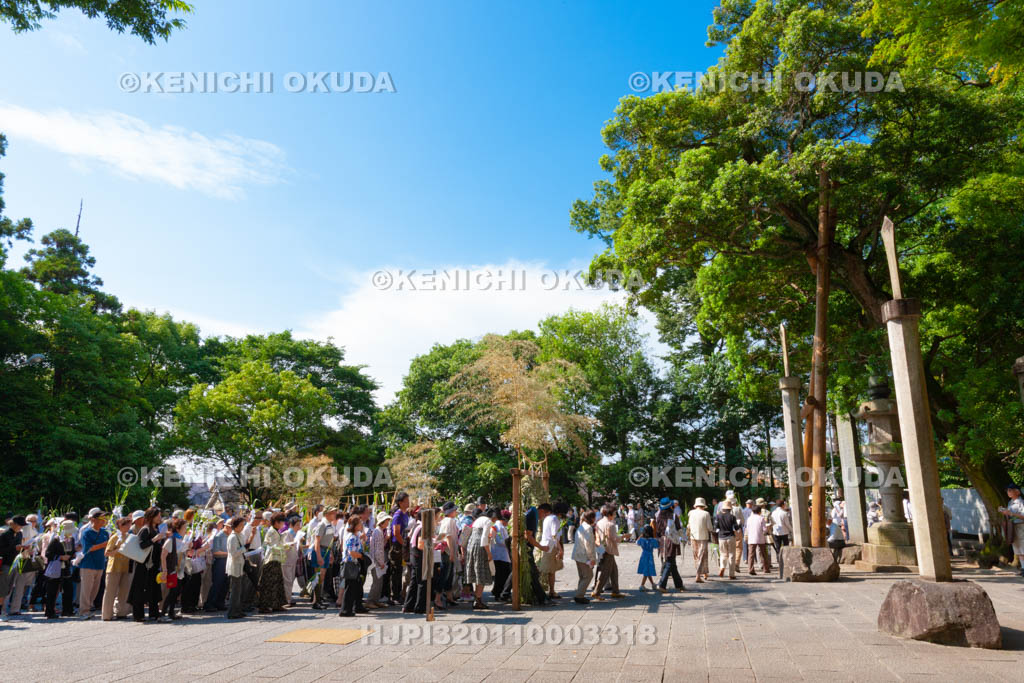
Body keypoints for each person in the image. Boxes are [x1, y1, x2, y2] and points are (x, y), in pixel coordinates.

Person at [129, 507, 164, 623]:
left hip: (153, 564)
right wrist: (154, 539)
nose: (160, 518)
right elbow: (142, 545)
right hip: (143, 564)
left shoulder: (157, 529)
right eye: (158, 515)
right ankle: (138, 615)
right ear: (151, 517)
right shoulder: (145, 530)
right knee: (140, 589)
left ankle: (154, 613)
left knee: (154, 588)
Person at [101, 516, 133, 620]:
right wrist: (118, 550)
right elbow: (107, 553)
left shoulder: (129, 536)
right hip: (114, 567)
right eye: (126, 524)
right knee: (110, 591)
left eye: (129, 524)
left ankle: (121, 612)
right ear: (120, 525)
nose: (129, 526)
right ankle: (106, 615)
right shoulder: (115, 537)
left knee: (124, 591)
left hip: (126, 566)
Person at [466, 508, 497, 610]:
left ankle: (477, 598)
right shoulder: (487, 521)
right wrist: (489, 553)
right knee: (481, 574)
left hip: (472, 545)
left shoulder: (478, 519)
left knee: (476, 573)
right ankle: (478, 600)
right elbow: (484, 539)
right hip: (480, 547)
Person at [258, 511, 288, 613]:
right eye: (282, 522)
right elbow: (273, 546)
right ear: (276, 522)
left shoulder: (276, 531)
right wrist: (285, 546)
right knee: (269, 583)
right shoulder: (271, 532)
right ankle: (264, 606)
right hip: (270, 560)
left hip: (277, 559)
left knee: (277, 582)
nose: (283, 524)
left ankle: (277, 604)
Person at [594, 504, 624, 600]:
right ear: (610, 513)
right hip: (609, 549)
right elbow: (614, 538)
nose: (615, 514)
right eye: (614, 513)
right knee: (605, 572)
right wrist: (624, 536)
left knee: (614, 570)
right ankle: (596, 592)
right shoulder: (610, 524)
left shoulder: (599, 522)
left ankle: (616, 591)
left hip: (602, 548)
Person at [654, 497, 684, 593]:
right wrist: (683, 538)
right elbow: (679, 529)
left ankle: (679, 585)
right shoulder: (674, 516)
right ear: (670, 506)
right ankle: (662, 584)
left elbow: (657, 531)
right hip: (671, 541)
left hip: (662, 541)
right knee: (669, 562)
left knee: (672, 562)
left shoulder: (658, 516)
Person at [338, 515, 366, 617]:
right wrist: (362, 556)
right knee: (349, 588)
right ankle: (345, 610)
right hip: (350, 564)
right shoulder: (352, 537)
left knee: (352, 587)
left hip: (352, 564)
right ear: (355, 525)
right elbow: (352, 552)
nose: (361, 525)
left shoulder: (355, 536)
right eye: (359, 523)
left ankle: (348, 609)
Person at [159, 517, 186, 621]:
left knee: (176, 591)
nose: (186, 530)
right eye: (184, 528)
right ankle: (162, 614)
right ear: (178, 529)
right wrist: (165, 570)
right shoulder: (171, 540)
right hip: (172, 570)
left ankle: (171, 613)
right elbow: (163, 555)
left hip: (179, 570)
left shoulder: (181, 539)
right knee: (172, 592)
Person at [537, 502, 566, 599]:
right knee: (548, 570)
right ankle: (550, 591)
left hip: (545, 545)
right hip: (551, 546)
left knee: (549, 570)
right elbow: (554, 536)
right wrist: (560, 549)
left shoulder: (547, 518)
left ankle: (552, 591)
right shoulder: (554, 519)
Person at [0, 515, 26, 620]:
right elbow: (1, 551)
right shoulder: (5, 535)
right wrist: (14, 548)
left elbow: (18, 548)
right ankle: (1, 612)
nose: (21, 527)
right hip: (5, 564)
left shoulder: (20, 534)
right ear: (14, 524)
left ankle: (3, 611)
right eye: (20, 525)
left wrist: (24, 548)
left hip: (15, 563)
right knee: (2, 589)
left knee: (9, 589)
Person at [387, 493, 410, 603]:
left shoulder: (406, 514)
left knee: (401, 570)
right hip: (398, 546)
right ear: (400, 503)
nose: (408, 502)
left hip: (404, 545)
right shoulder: (398, 515)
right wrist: (404, 544)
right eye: (406, 500)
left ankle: (400, 593)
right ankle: (395, 595)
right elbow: (396, 532)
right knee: (396, 571)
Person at [571, 510, 596, 604]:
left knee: (582, 576)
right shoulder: (588, 528)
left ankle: (579, 594)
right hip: (584, 556)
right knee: (588, 576)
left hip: (577, 555)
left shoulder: (581, 526)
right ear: (592, 518)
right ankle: (579, 596)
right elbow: (588, 544)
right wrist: (592, 558)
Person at [365, 512, 390, 608]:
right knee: (376, 582)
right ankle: (370, 600)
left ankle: (375, 600)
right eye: (387, 521)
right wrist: (381, 562)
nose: (388, 523)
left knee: (379, 582)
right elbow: (378, 550)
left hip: (376, 561)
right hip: (376, 562)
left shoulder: (378, 531)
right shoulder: (378, 532)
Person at [999, 483, 1024, 577]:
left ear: (1017, 491)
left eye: (1010, 490)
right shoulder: (1010, 502)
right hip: (1013, 527)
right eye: (1007, 490)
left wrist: (1011, 514)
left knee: (1023, 548)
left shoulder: (1021, 502)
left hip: (1021, 527)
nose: (1008, 492)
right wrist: (1004, 512)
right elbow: (1010, 516)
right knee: (1018, 549)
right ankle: (1023, 568)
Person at [226, 516, 247, 619]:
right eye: (241, 525)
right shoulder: (232, 537)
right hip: (234, 566)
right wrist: (243, 549)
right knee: (235, 590)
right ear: (236, 526)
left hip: (240, 565)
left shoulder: (240, 535)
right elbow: (233, 553)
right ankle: (232, 612)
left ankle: (238, 610)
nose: (243, 527)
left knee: (239, 590)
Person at [714, 499, 741, 580]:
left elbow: (716, 527)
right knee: (732, 555)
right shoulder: (732, 517)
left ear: (723, 508)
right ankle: (731, 574)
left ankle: (722, 567)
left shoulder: (718, 516)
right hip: (730, 537)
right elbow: (736, 527)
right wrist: (739, 524)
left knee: (723, 554)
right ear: (730, 508)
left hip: (721, 537)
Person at [688, 498, 713, 582]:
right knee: (702, 556)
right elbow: (709, 527)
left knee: (696, 556)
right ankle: (698, 575)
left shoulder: (691, 513)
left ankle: (704, 573)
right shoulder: (706, 514)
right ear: (703, 505)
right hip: (703, 537)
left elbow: (688, 526)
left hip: (693, 537)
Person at [490, 508, 511, 603]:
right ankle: (498, 593)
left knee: (502, 575)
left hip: (501, 555)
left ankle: (498, 592)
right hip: (500, 555)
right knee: (501, 576)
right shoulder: (498, 527)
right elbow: (499, 540)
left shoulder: (499, 526)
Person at [770, 500, 792, 579]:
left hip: (776, 531)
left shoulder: (773, 512)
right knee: (785, 547)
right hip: (784, 532)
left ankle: (779, 562)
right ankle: (785, 561)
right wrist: (792, 530)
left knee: (778, 547)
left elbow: (772, 522)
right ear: (783, 505)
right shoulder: (784, 513)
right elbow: (787, 524)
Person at [745, 505, 770, 575]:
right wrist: (767, 530)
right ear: (759, 511)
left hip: (751, 538)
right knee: (764, 554)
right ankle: (766, 569)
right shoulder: (761, 518)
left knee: (751, 555)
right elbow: (764, 529)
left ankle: (750, 569)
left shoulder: (749, 519)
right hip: (760, 538)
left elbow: (747, 528)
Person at [636, 525, 658, 591]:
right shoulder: (653, 540)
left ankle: (653, 584)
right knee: (647, 571)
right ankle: (642, 585)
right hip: (650, 556)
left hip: (643, 555)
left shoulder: (642, 540)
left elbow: (637, 542)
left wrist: (640, 536)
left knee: (647, 570)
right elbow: (657, 546)